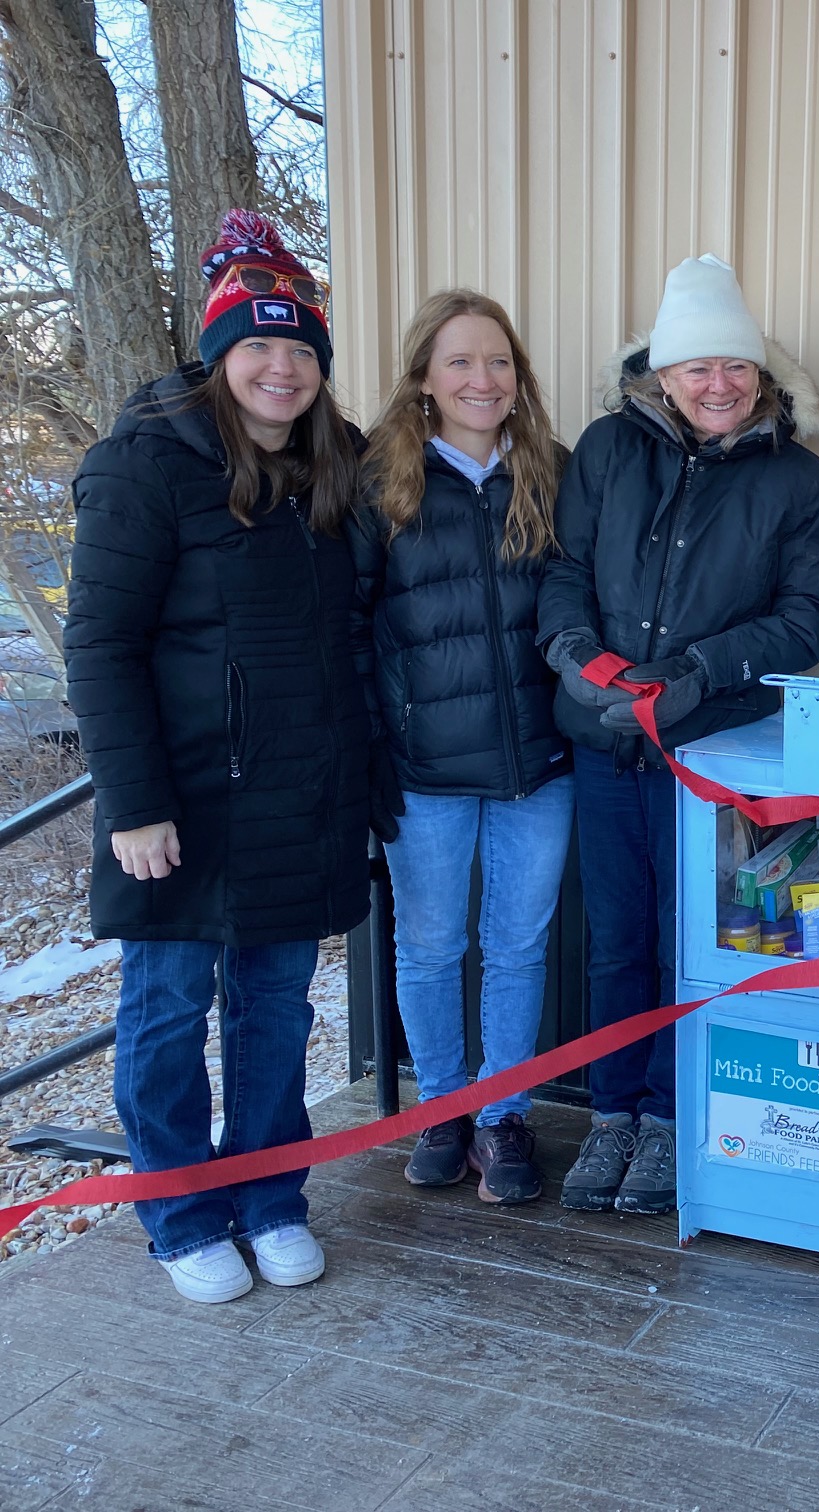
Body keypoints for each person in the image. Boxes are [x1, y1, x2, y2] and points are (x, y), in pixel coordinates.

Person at [64, 210, 388, 1304]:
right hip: (183, 804)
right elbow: (101, 643)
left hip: (300, 800)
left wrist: (360, 785)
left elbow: (342, 646)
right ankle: (181, 1213)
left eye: (301, 349)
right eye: (259, 345)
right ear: (217, 356)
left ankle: (267, 1195)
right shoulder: (142, 465)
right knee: (166, 1013)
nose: (282, 367)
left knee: (276, 1010)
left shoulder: (328, 476)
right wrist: (135, 802)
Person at [537, 255, 819, 1214]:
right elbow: (562, 567)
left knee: (691, 940)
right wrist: (576, 654)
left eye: (736, 367)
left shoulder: (800, 482)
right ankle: (612, 1115)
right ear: (660, 376)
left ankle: (672, 1121)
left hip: (711, 752)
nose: (718, 385)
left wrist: (701, 673)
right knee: (616, 939)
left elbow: (814, 612)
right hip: (604, 741)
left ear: (760, 374)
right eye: (696, 368)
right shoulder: (604, 451)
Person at [353, 290, 572, 1205]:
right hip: (426, 771)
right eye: (459, 362)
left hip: (537, 764)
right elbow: (349, 626)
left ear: (518, 380)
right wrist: (373, 742)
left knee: (518, 948)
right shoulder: (381, 482)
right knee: (432, 947)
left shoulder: (553, 474)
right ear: (425, 381)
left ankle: (502, 1114)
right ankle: (442, 1106)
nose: (482, 379)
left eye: (497, 362)